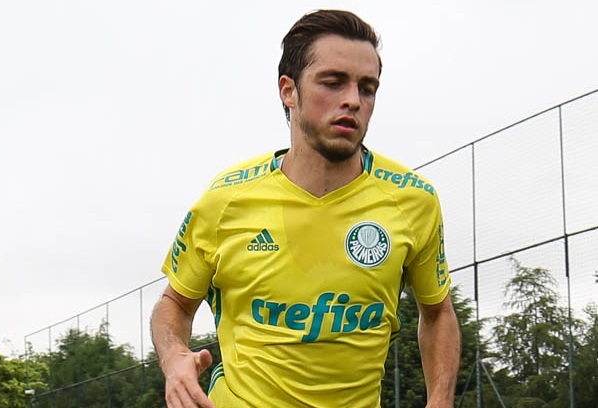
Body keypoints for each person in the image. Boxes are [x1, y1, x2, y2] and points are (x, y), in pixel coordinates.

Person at [150, 9, 461, 408]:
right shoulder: (226, 200)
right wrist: (174, 357)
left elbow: (437, 312)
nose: (353, 100)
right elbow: (174, 304)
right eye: (333, 82)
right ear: (288, 91)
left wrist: (440, 400)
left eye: (367, 88)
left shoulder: (413, 200)